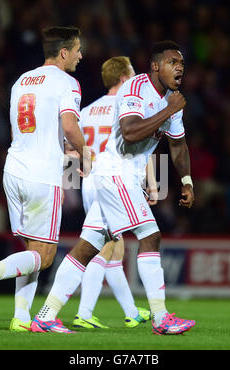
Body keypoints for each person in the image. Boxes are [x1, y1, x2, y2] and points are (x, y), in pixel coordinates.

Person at [31, 40, 195, 335]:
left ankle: (45, 314)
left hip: (113, 175)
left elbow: (178, 144)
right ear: (156, 66)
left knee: (88, 246)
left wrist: (186, 180)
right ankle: (161, 318)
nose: (180, 67)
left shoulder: (174, 100)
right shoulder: (136, 89)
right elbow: (131, 133)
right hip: (116, 171)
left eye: (181, 63)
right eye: (173, 61)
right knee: (150, 236)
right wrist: (167, 110)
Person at [0, 26, 89, 333]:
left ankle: (21, 318)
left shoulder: (21, 80)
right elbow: (70, 125)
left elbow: (15, 130)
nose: (80, 55)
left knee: (32, 249)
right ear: (64, 52)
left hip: (14, 169)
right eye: (77, 50)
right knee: (45, 256)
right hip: (42, 175)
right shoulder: (67, 83)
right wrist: (85, 153)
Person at [71, 56, 158, 330]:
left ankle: (132, 311)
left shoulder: (86, 111)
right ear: (123, 78)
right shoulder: (128, 106)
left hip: (89, 183)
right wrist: (153, 184)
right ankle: (83, 312)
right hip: (114, 181)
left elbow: (71, 149)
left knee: (114, 249)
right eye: (132, 74)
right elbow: (141, 146)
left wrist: (73, 183)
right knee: (102, 248)